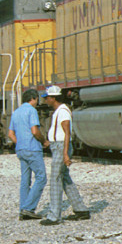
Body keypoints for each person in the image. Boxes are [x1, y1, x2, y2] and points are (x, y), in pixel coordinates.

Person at [40, 85, 90, 225]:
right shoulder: (59, 111)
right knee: (64, 178)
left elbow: (67, 133)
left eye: (47, 98)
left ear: (53, 98)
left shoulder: (63, 112)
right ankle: (81, 209)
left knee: (55, 179)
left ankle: (54, 215)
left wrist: (65, 154)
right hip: (58, 147)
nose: (46, 100)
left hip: (62, 147)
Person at [7, 89, 48, 220]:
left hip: (21, 150)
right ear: (34, 99)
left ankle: (22, 210)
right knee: (41, 177)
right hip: (33, 149)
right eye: (37, 100)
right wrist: (44, 141)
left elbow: (10, 134)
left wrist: (20, 143)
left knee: (25, 181)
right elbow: (35, 131)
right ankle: (28, 208)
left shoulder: (16, 112)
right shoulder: (32, 110)